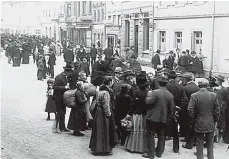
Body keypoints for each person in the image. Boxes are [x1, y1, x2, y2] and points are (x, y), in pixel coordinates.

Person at [143, 76, 175, 159]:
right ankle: (159, 152)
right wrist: (169, 118)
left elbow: (147, 102)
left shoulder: (154, 92)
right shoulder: (170, 95)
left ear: (158, 83)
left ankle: (150, 153)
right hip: (163, 118)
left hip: (152, 117)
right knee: (162, 135)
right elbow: (172, 109)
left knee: (150, 135)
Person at [188, 78, 220, 159]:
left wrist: (194, 118)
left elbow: (190, 109)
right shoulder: (213, 95)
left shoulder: (194, 95)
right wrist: (215, 119)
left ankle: (200, 157)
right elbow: (217, 110)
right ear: (207, 85)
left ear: (199, 85)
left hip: (199, 121)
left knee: (199, 142)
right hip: (210, 121)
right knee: (210, 143)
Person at [89, 76, 118, 155]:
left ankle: (96, 148)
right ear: (109, 83)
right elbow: (106, 105)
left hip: (98, 112)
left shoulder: (99, 91)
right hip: (102, 112)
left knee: (98, 130)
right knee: (104, 130)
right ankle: (103, 149)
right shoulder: (106, 92)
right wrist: (108, 114)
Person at [124, 73, 148, 153]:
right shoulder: (148, 92)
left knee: (135, 130)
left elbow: (133, 105)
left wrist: (129, 114)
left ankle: (134, 147)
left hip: (136, 114)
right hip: (144, 114)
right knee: (142, 130)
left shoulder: (136, 92)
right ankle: (142, 147)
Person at [166, 70, 188, 153]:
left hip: (167, 109)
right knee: (175, 130)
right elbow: (184, 99)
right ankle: (176, 148)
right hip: (176, 110)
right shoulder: (180, 86)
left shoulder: (166, 85)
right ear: (175, 77)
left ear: (168, 77)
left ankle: (160, 147)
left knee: (163, 128)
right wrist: (179, 108)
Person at [181, 72, 200, 149]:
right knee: (193, 125)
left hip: (187, 109)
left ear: (185, 79)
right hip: (196, 109)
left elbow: (184, 100)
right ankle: (194, 140)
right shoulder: (197, 87)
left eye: (183, 78)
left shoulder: (185, 88)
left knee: (187, 125)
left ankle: (188, 141)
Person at [53, 65, 73, 132]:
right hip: (58, 98)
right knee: (59, 113)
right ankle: (56, 128)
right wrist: (64, 88)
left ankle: (62, 127)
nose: (70, 74)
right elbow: (55, 87)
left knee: (63, 112)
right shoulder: (58, 77)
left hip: (63, 98)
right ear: (66, 71)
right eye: (70, 72)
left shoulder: (65, 77)